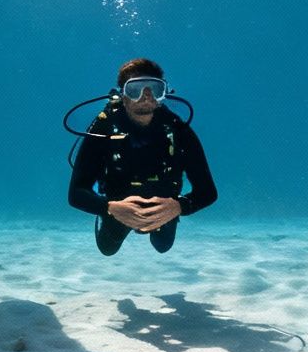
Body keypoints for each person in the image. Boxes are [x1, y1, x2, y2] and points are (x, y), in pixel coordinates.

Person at [67, 58, 217, 255]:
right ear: (123, 95)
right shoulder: (103, 129)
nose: (146, 96)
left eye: (154, 89)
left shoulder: (177, 130)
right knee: (107, 249)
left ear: (163, 94)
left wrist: (179, 206)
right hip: (118, 202)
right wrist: (108, 207)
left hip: (164, 204)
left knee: (163, 247)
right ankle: (110, 217)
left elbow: (208, 191)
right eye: (135, 89)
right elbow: (76, 193)